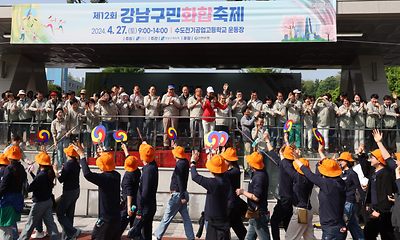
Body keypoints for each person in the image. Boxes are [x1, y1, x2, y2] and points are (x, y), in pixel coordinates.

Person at [292, 147, 347, 240]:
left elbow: (309, 174)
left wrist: (297, 160)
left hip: (331, 228)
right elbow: (328, 169)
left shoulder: (327, 183)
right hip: (339, 225)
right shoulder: (340, 182)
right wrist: (322, 154)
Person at [74, 141, 121, 240]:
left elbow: (87, 174)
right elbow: (107, 164)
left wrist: (82, 155)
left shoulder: (104, 178)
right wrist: (103, 153)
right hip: (116, 219)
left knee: (96, 236)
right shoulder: (116, 175)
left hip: (106, 221)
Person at [154, 146, 194, 240]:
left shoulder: (179, 164)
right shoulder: (184, 162)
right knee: (186, 218)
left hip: (177, 195)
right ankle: (191, 237)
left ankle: (157, 235)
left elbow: (179, 180)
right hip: (182, 193)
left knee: (167, 216)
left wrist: (182, 196)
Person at [19, 151, 60, 240]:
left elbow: (29, 188)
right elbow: (39, 183)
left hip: (39, 203)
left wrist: (25, 178)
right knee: (51, 224)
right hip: (48, 201)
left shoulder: (41, 175)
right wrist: (32, 174)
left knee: (29, 224)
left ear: (40, 164)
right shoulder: (49, 173)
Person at [358, 143, 395, 240]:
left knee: (387, 236)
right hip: (373, 210)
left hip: (382, 212)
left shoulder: (385, 175)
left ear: (379, 160)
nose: (371, 159)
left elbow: (386, 195)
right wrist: (361, 155)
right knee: (368, 234)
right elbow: (365, 169)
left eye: (373, 157)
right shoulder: (374, 171)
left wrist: (379, 211)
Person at [191, 151, 230, 240]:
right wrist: (212, 161)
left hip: (213, 221)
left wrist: (193, 162)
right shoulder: (226, 180)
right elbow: (219, 171)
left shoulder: (214, 183)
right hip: (222, 218)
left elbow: (195, 177)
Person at [127, 143, 158, 240]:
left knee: (134, 233)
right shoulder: (153, 165)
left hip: (144, 208)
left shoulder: (148, 170)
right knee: (146, 233)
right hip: (150, 205)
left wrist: (140, 211)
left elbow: (145, 191)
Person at [236, 152, 270, 240]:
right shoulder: (260, 172)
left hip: (258, 213)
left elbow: (256, 197)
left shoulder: (259, 177)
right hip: (254, 212)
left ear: (252, 165)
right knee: (249, 238)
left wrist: (243, 192)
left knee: (264, 237)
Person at [283, 156, 316, 240]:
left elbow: (286, 166)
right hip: (308, 211)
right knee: (309, 238)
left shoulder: (298, 177)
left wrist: (281, 154)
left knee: (290, 238)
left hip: (301, 211)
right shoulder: (310, 178)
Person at [53, 145, 81, 240]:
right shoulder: (76, 163)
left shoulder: (68, 164)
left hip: (68, 191)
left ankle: (73, 232)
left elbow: (61, 179)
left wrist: (56, 171)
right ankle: (68, 237)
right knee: (69, 215)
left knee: (60, 214)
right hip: (76, 190)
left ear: (68, 154)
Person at [337, 152, 365, 240]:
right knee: (354, 226)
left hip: (348, 203)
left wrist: (366, 202)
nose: (340, 161)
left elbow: (359, 188)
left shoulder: (352, 174)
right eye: (340, 160)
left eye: (342, 160)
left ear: (348, 161)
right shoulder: (341, 173)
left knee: (344, 225)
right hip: (343, 202)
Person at [0, 147, 26, 240]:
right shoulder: (21, 168)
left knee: (4, 228)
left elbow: (3, 185)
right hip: (17, 199)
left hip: (7, 201)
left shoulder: (9, 169)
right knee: (9, 227)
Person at [221, 148, 247, 240]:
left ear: (229, 161)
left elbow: (222, 174)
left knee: (224, 226)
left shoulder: (234, 172)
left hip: (231, 203)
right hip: (234, 202)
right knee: (238, 227)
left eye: (225, 159)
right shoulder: (234, 169)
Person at [119, 143, 141, 236]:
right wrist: (125, 150)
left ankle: (116, 235)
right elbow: (130, 159)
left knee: (122, 221)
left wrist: (128, 208)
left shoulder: (128, 177)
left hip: (129, 201)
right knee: (133, 222)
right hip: (136, 199)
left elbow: (129, 194)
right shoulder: (137, 171)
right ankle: (134, 235)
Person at [160, 85, 181, 150]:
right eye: (170, 89)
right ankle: (166, 144)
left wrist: (174, 102)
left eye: (172, 89)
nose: (171, 91)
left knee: (174, 131)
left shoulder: (176, 96)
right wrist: (168, 102)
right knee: (165, 130)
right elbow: (161, 105)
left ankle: (173, 144)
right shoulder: (165, 96)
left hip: (174, 115)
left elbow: (179, 106)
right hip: (166, 115)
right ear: (168, 89)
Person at [241, 107, 259, 173]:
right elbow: (248, 123)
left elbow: (254, 124)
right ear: (244, 112)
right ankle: (247, 168)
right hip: (247, 138)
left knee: (252, 153)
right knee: (247, 153)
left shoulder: (251, 118)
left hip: (252, 138)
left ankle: (252, 167)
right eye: (247, 110)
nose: (249, 111)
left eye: (249, 109)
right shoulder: (243, 119)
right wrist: (255, 116)